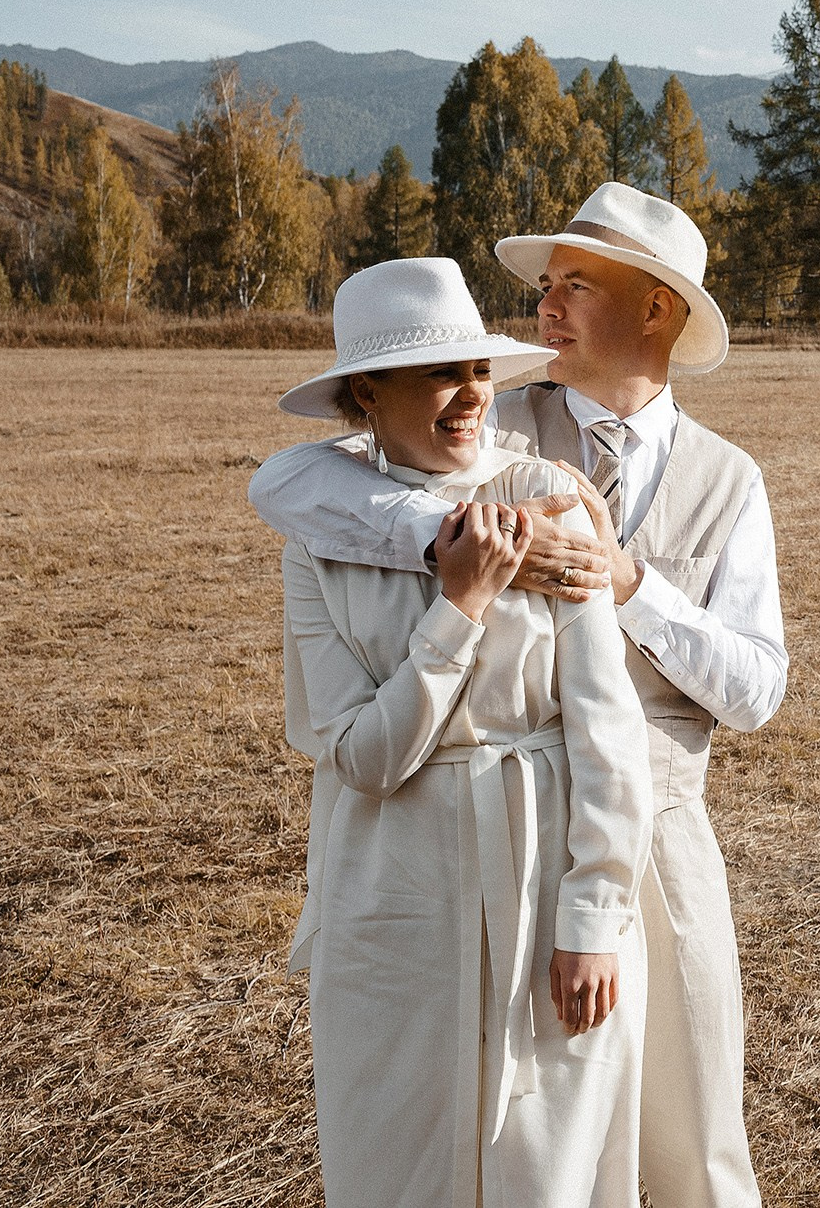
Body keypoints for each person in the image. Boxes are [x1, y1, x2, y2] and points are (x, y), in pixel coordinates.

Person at [252, 183, 784, 1208]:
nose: (545, 305)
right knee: (483, 1134)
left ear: (657, 309)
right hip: (468, 834)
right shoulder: (500, 438)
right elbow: (297, 487)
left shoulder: (729, 480)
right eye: (544, 286)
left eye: (574, 285)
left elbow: (756, 688)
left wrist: (625, 583)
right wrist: (470, 552)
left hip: (653, 822)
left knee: (693, 1140)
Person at [274, 256, 652, 1207]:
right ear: (368, 389)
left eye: (481, 369)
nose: (472, 394)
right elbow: (361, 755)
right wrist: (462, 607)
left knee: (542, 1165)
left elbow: (608, 731)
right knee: (396, 1163)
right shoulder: (316, 540)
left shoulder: (549, 499)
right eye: (442, 372)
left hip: (536, 879)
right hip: (387, 897)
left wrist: (595, 916)